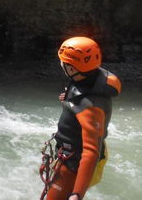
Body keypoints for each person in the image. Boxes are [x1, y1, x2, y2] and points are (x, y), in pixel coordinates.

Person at [43, 37, 121, 200]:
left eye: (63, 61)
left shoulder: (90, 105)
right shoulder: (89, 77)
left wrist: (77, 194)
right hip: (69, 153)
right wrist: (69, 100)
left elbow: (91, 152)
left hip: (73, 162)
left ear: (72, 69)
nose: (60, 64)